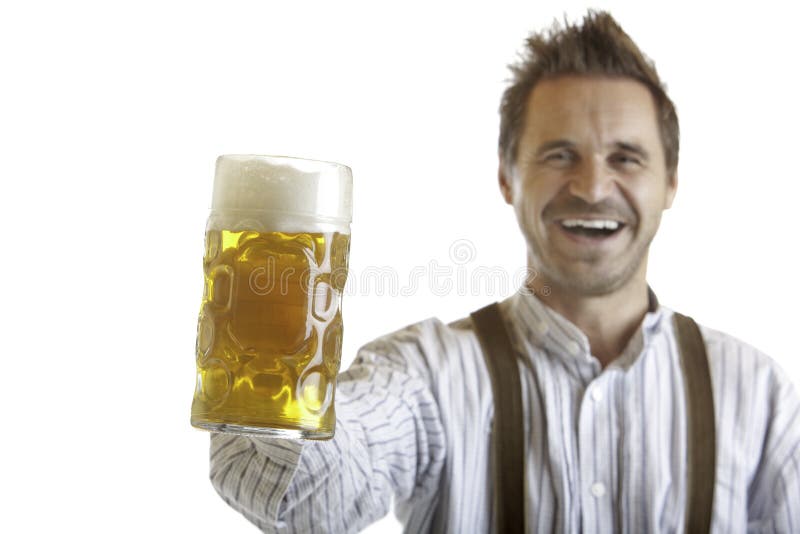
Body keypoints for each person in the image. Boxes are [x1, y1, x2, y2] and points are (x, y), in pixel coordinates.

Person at [209, 10, 800, 533]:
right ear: (507, 177)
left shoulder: (758, 395)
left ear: (670, 182)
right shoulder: (427, 375)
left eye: (626, 158)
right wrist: (267, 376)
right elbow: (313, 499)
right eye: (560, 154)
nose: (593, 187)